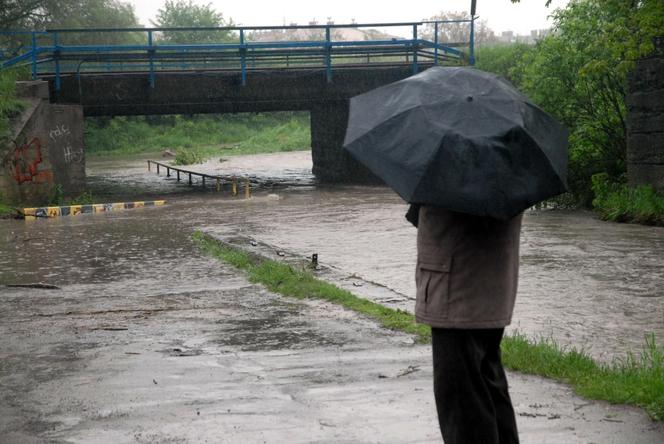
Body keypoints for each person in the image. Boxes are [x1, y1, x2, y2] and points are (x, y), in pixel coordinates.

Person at [407, 204, 522, 444]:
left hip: (457, 292)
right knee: (489, 390)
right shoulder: (506, 174)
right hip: (485, 290)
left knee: (463, 405)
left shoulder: (460, 174)